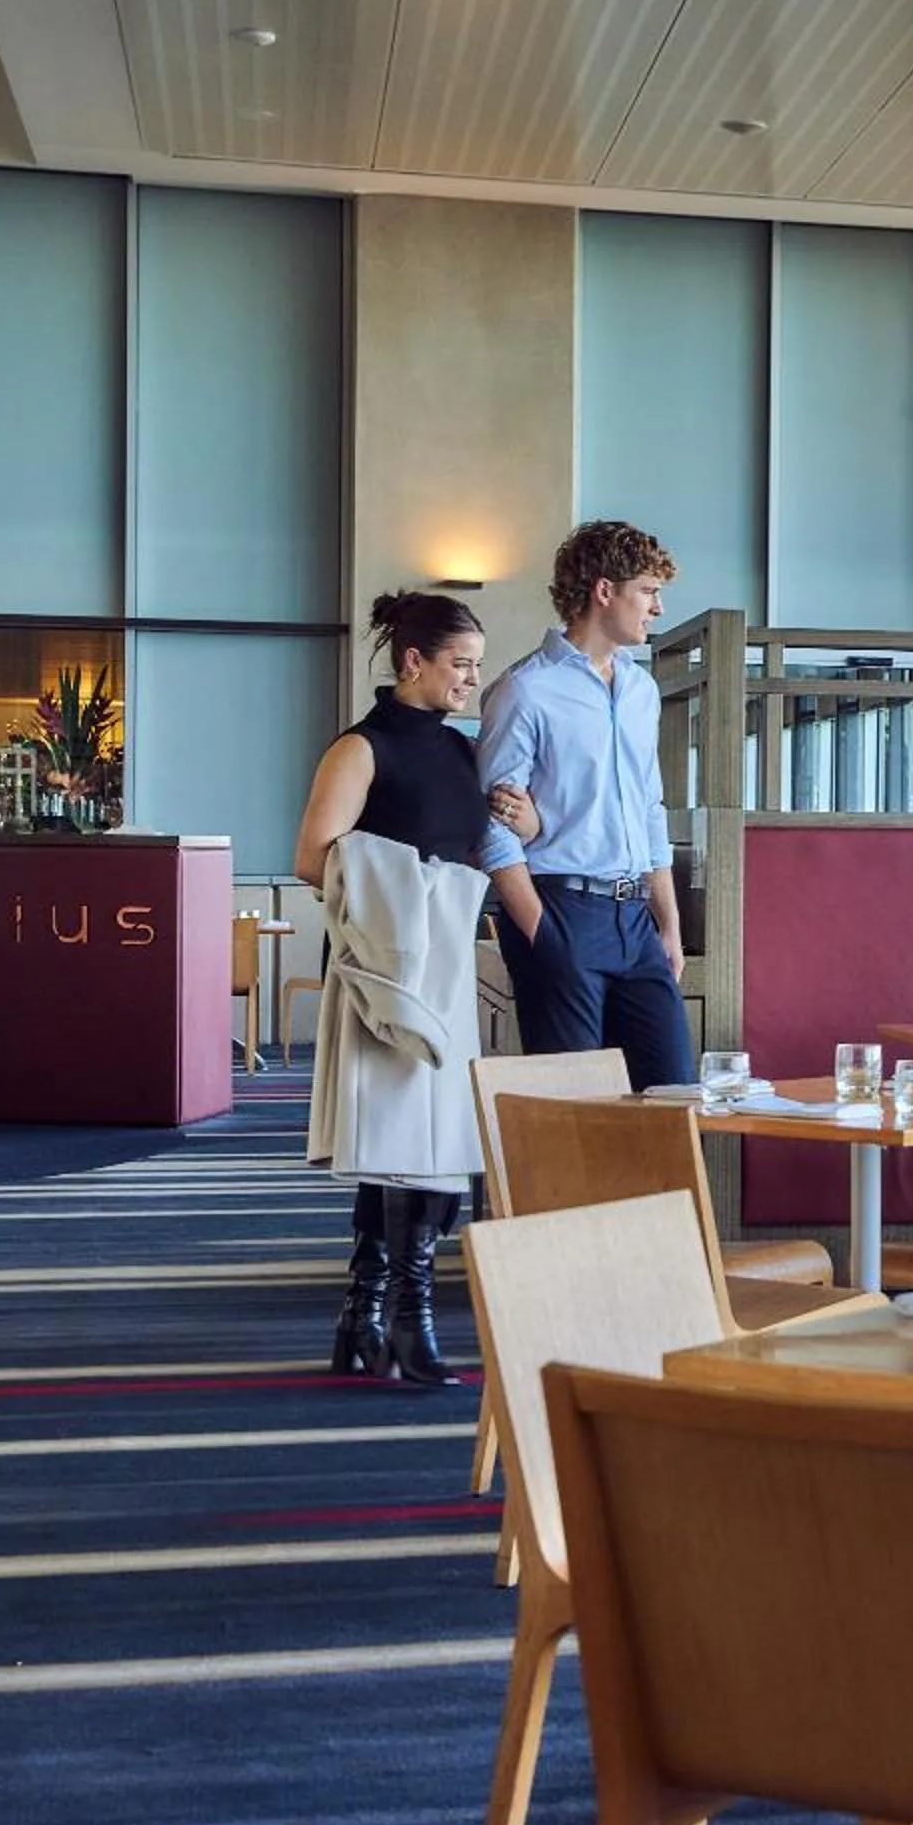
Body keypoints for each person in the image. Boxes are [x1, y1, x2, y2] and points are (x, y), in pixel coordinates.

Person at [294, 592, 537, 1385]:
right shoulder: (359, 750)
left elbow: (493, 844)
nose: (472, 679)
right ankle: (405, 1319)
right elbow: (313, 858)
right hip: (387, 973)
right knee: (398, 1150)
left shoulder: (465, 754)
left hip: (446, 967)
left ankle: (367, 1318)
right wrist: (419, 889)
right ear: (414, 663)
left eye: (475, 665)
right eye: (460, 664)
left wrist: (523, 819)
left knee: (437, 1152)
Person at [475, 519, 697, 1091]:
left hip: (636, 920)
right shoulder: (525, 690)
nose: (657, 608)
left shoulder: (641, 690)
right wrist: (543, 932)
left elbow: (652, 808)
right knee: (577, 1112)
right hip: (562, 910)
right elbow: (492, 826)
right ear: (604, 591)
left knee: (674, 1097)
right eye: (647, 591)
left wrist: (669, 926)